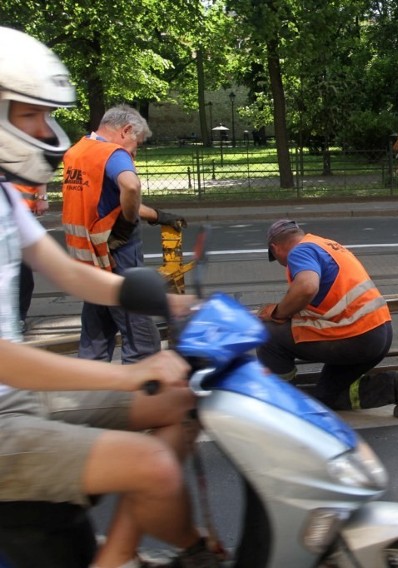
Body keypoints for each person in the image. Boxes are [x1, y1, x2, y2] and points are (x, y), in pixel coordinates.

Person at [0, 27, 218, 568]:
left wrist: (170, 302)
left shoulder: (6, 197)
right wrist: (130, 375)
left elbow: (67, 273)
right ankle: (166, 553)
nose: (47, 130)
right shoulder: (111, 159)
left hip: (18, 397)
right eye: (32, 115)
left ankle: (125, 554)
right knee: (154, 466)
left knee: (181, 403)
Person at [62, 104, 187, 363]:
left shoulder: (78, 152)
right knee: (135, 319)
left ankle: (91, 377)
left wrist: (157, 215)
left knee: (98, 317)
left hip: (88, 254)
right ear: (126, 130)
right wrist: (128, 222)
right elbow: (130, 187)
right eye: (137, 144)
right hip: (116, 250)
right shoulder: (113, 153)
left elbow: (106, 202)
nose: (134, 153)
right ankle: (143, 378)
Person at [257, 219, 398, 418]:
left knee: (268, 334)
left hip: (355, 335)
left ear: (275, 247)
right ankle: (395, 386)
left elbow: (307, 287)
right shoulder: (326, 244)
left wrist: (277, 313)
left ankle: (281, 402)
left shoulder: (299, 252)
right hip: (379, 331)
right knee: (325, 398)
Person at [13, 182, 47, 333]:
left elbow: (40, 169)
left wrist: (42, 197)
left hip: (21, 210)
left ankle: (19, 317)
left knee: (21, 268)